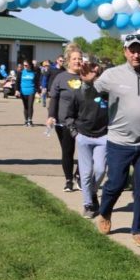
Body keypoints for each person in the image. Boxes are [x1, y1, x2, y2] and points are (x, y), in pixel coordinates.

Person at [94, 34, 140, 248]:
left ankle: (139, 230)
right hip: (119, 142)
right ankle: (105, 212)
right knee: (115, 183)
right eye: (132, 50)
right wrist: (87, 84)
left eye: (139, 50)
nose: (136, 54)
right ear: (125, 52)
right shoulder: (112, 75)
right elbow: (91, 92)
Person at [65, 62, 109, 219]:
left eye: (97, 74)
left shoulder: (107, 93)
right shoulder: (80, 93)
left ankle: (92, 192)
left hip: (103, 137)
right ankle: (88, 204)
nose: (95, 77)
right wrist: (75, 133)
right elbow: (69, 116)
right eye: (91, 73)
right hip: (83, 136)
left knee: (100, 170)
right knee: (86, 173)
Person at [47, 44, 83, 192]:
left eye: (80, 58)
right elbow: (54, 99)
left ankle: (79, 175)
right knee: (67, 151)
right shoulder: (60, 78)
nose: (77, 61)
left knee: (85, 150)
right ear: (68, 61)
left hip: (83, 122)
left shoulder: (86, 76)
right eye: (74, 59)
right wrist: (51, 116)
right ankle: (69, 180)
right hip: (64, 122)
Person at [16, 61, 41, 126]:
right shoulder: (20, 73)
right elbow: (17, 82)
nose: (25, 67)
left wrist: (38, 91)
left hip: (31, 91)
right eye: (24, 65)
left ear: (30, 65)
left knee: (30, 106)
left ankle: (30, 120)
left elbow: (37, 83)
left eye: (26, 65)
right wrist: (17, 90)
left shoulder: (34, 73)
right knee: (25, 106)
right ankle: (26, 120)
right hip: (23, 91)